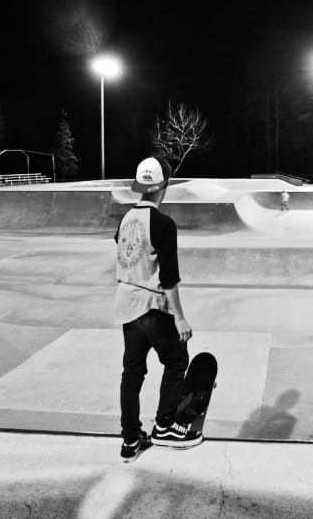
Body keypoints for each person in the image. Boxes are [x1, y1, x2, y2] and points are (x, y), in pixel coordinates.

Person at [115, 156, 201, 462]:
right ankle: (164, 425)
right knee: (177, 360)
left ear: (140, 187)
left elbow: (125, 250)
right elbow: (169, 277)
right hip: (151, 307)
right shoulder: (164, 224)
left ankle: (130, 439)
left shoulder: (126, 219)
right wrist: (179, 317)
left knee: (132, 373)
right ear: (164, 185)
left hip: (125, 307)